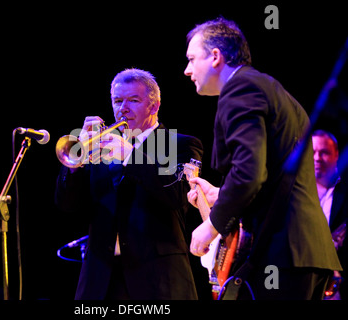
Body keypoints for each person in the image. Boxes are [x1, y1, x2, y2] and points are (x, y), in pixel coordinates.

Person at [183, 17, 342, 300]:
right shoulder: (270, 89)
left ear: (216, 56)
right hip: (305, 252)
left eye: (192, 59)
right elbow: (269, 173)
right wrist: (221, 193)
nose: (187, 70)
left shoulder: (239, 89)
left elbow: (248, 173)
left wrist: (211, 225)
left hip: (282, 250)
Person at [55, 68, 204, 299]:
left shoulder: (180, 143)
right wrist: (77, 162)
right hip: (99, 282)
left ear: (154, 106)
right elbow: (67, 205)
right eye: (117, 100)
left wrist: (130, 155)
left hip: (158, 281)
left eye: (133, 100)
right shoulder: (100, 147)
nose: (122, 108)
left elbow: (177, 194)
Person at [312, 129, 347, 300]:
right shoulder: (294, 192)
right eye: (312, 152)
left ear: (336, 155)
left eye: (324, 152)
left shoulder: (345, 193)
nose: (317, 158)